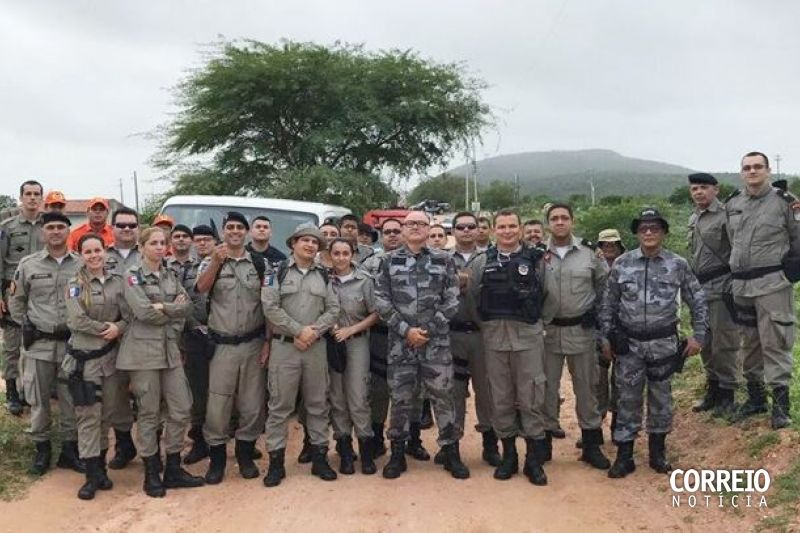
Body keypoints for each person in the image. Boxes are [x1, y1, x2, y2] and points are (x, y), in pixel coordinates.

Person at [600, 208, 707, 479]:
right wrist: (606, 338)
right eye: (643, 228)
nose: (649, 232)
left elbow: (697, 299)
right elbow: (608, 304)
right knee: (627, 398)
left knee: (661, 399)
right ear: (637, 233)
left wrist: (699, 336)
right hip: (629, 345)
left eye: (655, 228)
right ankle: (625, 456)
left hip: (663, 344)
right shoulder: (622, 263)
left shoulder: (677, 264)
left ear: (664, 233)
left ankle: (657, 453)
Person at [374, 210, 469, 480]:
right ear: (403, 229)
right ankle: (397, 453)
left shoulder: (444, 260)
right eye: (410, 223)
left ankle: (450, 452)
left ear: (429, 229)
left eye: (421, 224)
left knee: (443, 397)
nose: (415, 227)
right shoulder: (387, 261)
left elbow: (452, 299)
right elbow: (381, 300)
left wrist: (428, 329)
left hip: (435, 343)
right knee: (401, 398)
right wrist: (406, 330)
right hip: (400, 344)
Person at [116, 226, 205, 497]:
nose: (158, 247)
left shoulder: (169, 274)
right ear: (141, 247)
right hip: (143, 353)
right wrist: (172, 309)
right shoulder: (132, 276)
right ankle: (152, 471)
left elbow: (187, 307)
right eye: (153, 243)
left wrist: (164, 307)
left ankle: (174, 467)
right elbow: (143, 312)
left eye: (161, 243)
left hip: (169, 350)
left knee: (182, 407)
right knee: (149, 413)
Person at [468, 209, 549, 486]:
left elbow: (548, 295)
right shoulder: (481, 262)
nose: (507, 231)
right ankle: (509, 456)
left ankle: (533, 461)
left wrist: (538, 324)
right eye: (501, 227)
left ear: (520, 229)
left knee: (531, 397)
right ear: (493, 230)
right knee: (500, 398)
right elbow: (473, 298)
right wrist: (486, 326)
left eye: (512, 226)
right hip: (494, 339)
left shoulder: (537, 260)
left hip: (527, 338)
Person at [261, 223, 340, 487]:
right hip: (285, 348)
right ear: (293, 243)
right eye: (305, 240)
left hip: (315, 348)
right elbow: (270, 307)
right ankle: (276, 464)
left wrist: (313, 332)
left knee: (318, 405)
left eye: (315, 242)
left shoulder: (324, 274)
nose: (310, 245)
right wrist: (298, 330)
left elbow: (333, 309)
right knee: (279, 407)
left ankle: (320, 459)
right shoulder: (276, 271)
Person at [726, 152, 800, 429]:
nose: (752, 171)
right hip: (741, 285)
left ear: (768, 170)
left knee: (775, 341)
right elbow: (732, 240)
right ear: (741, 172)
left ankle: (780, 407)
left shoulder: (785, 202)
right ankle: (756, 399)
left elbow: (798, 238)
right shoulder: (733, 203)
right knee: (749, 342)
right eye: (747, 167)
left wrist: (789, 274)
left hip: (772, 283)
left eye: (758, 166)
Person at [195, 212, 268, 484]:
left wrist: (268, 342)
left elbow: (269, 304)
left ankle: (245, 455)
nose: (235, 231)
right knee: (218, 404)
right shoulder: (211, 260)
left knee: (252, 404)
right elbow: (201, 288)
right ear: (224, 232)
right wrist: (216, 261)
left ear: (247, 232)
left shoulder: (259, 263)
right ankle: (217, 461)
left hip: (253, 343)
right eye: (230, 227)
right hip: (222, 345)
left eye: (239, 227)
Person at [9, 212, 83, 475]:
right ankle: (42, 451)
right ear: (43, 232)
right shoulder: (28, 265)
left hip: (71, 344)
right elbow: (16, 301)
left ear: (68, 231)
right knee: (38, 400)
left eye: (61, 227)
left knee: (70, 399)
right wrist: (27, 325)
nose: (55, 231)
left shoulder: (81, 264)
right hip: (38, 344)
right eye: (50, 227)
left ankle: (69, 451)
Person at [540, 204, 610, 471]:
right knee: (545, 388)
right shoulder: (537, 254)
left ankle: (591, 445)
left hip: (581, 330)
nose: (559, 222)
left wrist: (602, 327)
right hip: (548, 332)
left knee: (587, 387)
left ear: (572, 221)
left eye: (564, 218)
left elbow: (604, 290)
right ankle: (543, 444)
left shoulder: (590, 253)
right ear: (548, 223)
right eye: (554, 218)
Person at [65, 234, 127, 499]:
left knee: (106, 415)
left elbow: (129, 314)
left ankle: (101, 469)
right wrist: (108, 329)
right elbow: (77, 320)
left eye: (97, 250)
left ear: (105, 251)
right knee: (88, 417)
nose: (93, 255)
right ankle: (90, 476)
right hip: (85, 362)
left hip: (110, 361)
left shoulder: (118, 282)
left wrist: (119, 327)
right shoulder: (75, 285)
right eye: (88, 251)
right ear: (81, 255)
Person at [443, 211, 500, 467]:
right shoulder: (441, 259)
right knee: (453, 392)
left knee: (486, 391)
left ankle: (490, 443)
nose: (466, 231)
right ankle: (451, 446)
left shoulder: (491, 258)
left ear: (478, 230)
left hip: (482, 334)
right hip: (452, 334)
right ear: (453, 231)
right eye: (460, 227)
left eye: (470, 227)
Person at [687, 173, 740, 418]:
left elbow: (737, 249)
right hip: (699, 289)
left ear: (715, 190)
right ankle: (714, 389)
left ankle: (728, 393)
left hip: (721, 286)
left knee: (724, 343)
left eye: (703, 187)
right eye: (694, 188)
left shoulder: (726, 215)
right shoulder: (693, 218)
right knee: (705, 343)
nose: (698, 192)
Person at [328, 238, 379, 475]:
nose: (341, 258)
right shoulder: (325, 280)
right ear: (330, 255)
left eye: (345, 253)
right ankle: (345, 451)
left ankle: (366, 451)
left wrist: (351, 329)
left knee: (358, 398)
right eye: (336, 253)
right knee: (337, 398)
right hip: (332, 344)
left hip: (357, 342)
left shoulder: (364, 281)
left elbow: (376, 314)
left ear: (352, 255)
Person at [360, 218, 403, 458]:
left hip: (408, 335)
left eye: (397, 231)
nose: (393, 235)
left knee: (409, 389)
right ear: (381, 235)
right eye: (388, 232)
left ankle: (408, 439)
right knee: (378, 388)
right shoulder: (369, 263)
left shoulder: (417, 260)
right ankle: (376, 436)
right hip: (380, 334)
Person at [1, 179, 44, 416]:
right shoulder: (7, 227)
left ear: (42, 198)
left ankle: (31, 390)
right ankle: (12, 392)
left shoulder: (49, 226)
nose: (32, 198)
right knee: (12, 342)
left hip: (42, 292)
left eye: (36, 194)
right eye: (28, 194)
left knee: (39, 341)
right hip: (13, 290)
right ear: (21, 197)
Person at [103, 206, 141, 469]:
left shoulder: (151, 253)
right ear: (112, 228)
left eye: (132, 225)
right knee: (116, 393)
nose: (127, 229)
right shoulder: (100, 256)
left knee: (148, 392)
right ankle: (124, 445)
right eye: (121, 225)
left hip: (144, 335)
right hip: (111, 337)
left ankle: (152, 447)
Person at [181, 224, 217, 465]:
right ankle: (199, 441)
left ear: (215, 242)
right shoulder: (185, 269)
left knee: (223, 390)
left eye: (207, 239)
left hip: (221, 334)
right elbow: (181, 301)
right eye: (198, 239)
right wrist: (195, 325)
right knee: (198, 392)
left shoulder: (224, 265)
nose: (202, 243)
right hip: (194, 336)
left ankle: (223, 439)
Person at [594, 229, 625, 437]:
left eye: (613, 243)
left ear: (620, 245)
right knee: (597, 380)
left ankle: (618, 424)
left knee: (621, 380)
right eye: (605, 244)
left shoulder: (629, 264)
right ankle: (594, 426)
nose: (609, 247)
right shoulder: (592, 265)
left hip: (623, 329)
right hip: (597, 328)